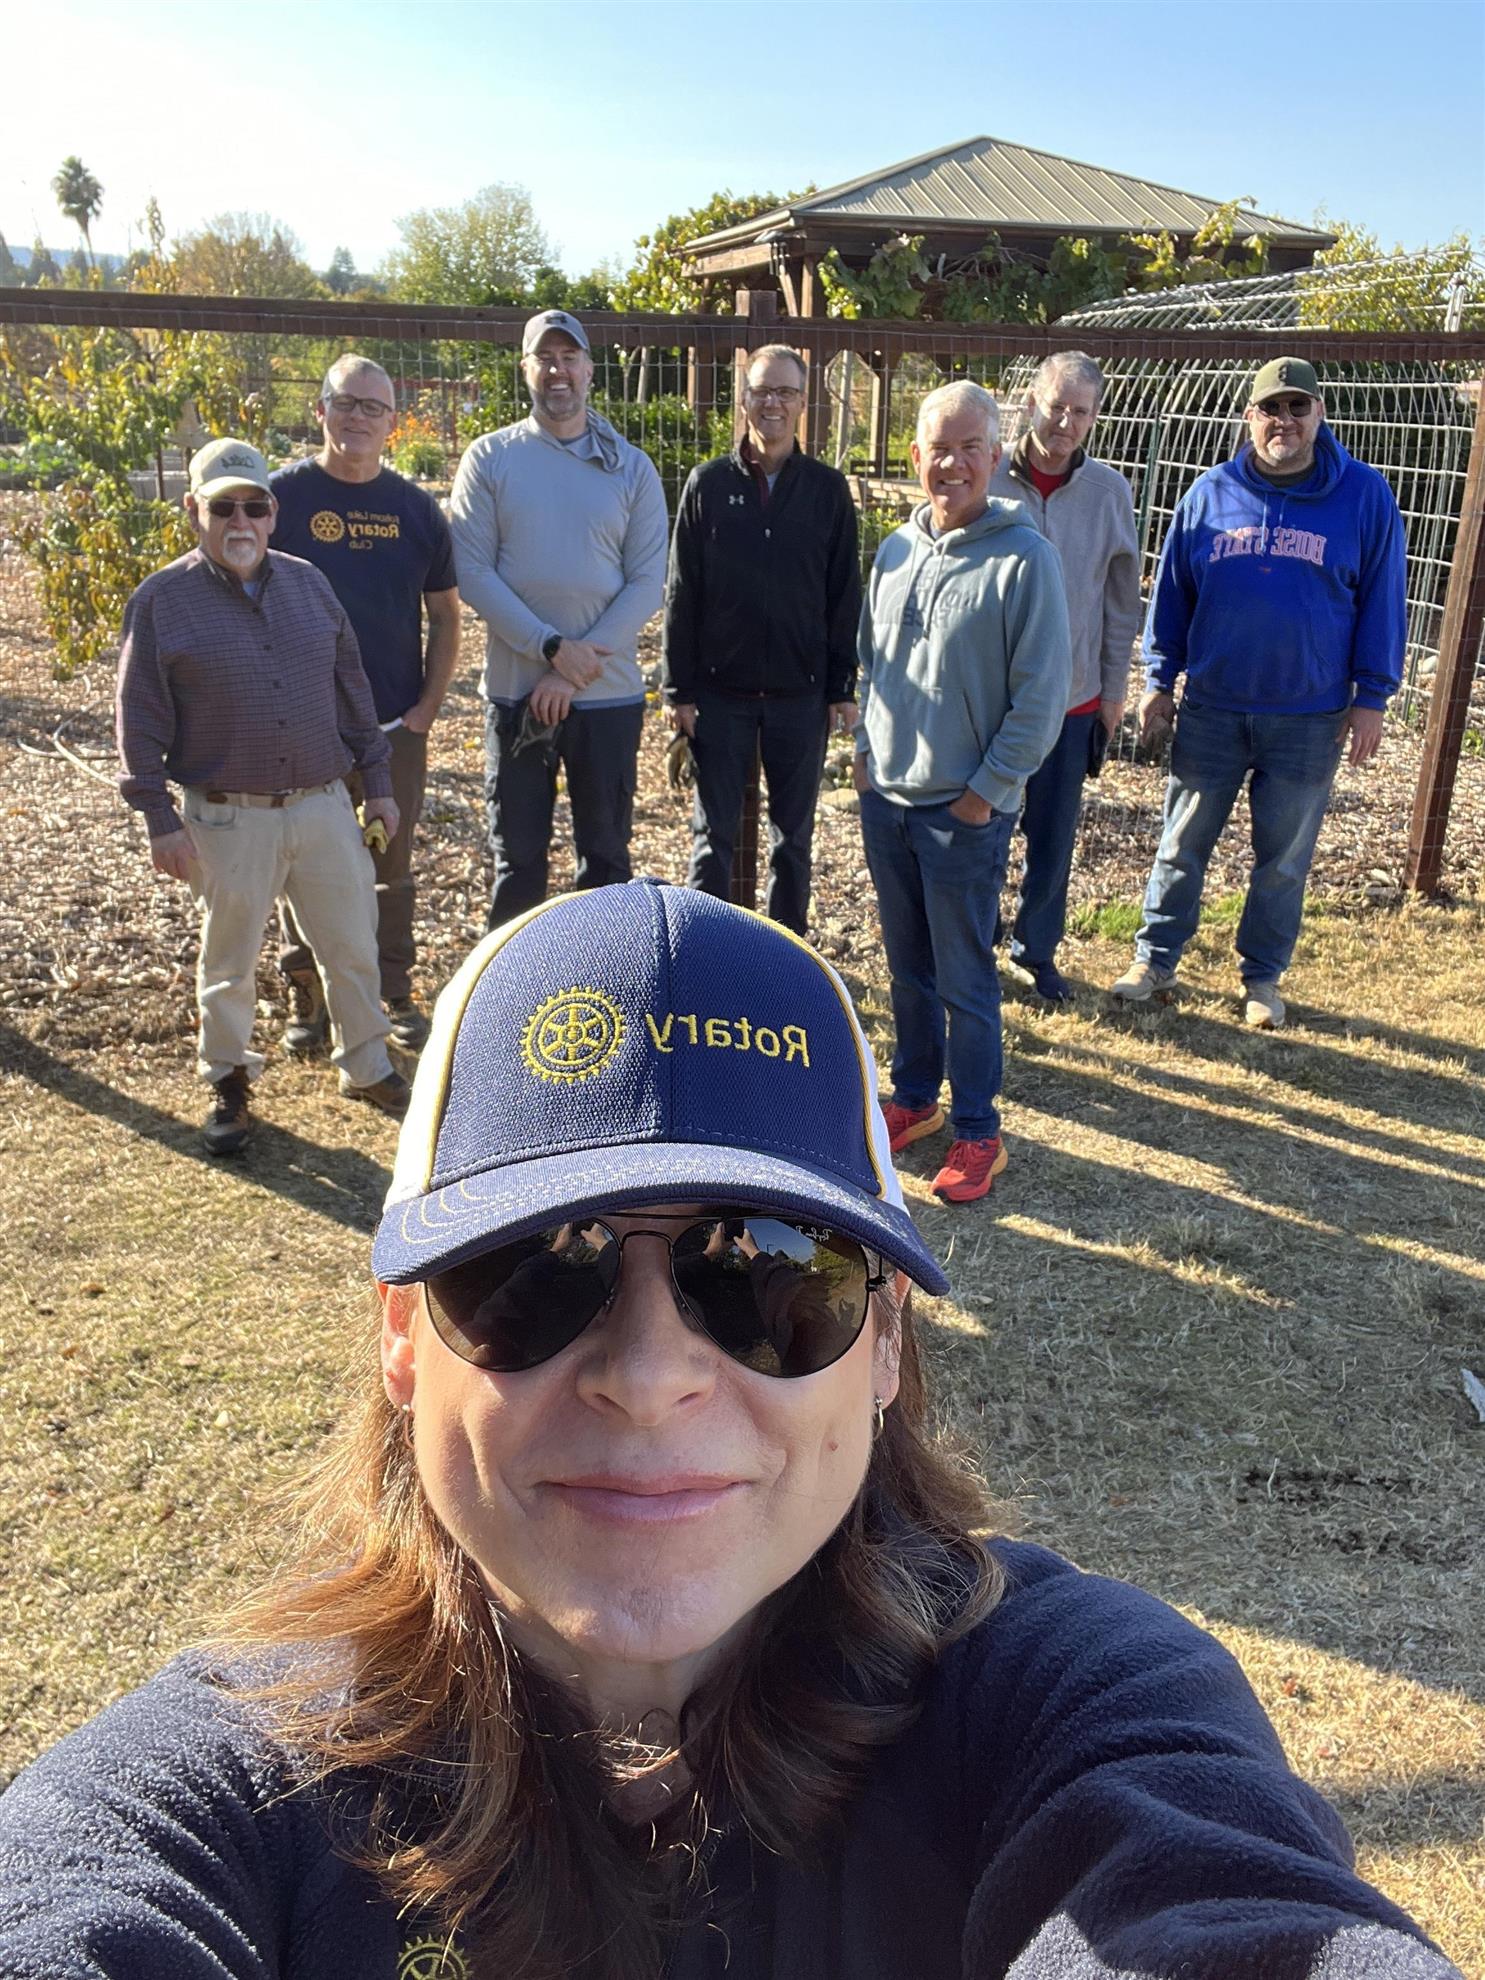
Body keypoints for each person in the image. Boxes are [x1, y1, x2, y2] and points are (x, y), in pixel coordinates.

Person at [0, 879, 1463, 1979]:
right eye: (533, 1270)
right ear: (400, 1338)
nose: (649, 1374)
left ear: (884, 1343)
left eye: (765, 1271)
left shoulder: (1068, 1705)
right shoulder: (231, 1798)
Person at [115, 437, 410, 1155]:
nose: (240, 521)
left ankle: (368, 1064)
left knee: (352, 944)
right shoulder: (161, 602)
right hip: (226, 815)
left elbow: (352, 691)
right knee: (230, 962)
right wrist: (159, 819)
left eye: (253, 506)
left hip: (321, 804)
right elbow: (138, 718)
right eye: (224, 509)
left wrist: (377, 784)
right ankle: (228, 1079)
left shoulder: (311, 585)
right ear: (194, 510)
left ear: (273, 513)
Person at [1111, 356, 1406, 1028]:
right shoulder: (1208, 494)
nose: (1285, 420)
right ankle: (1154, 959)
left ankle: (1263, 977)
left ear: (1319, 414)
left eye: (1298, 407)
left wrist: (1372, 697)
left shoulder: (1363, 496)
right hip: (1213, 706)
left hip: (1309, 715)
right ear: (1250, 417)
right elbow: (1172, 595)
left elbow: (1383, 599)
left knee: (1283, 861)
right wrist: (1158, 680)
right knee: (1181, 843)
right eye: (1271, 408)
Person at [855, 382, 1072, 1204]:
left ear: (995, 456)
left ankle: (978, 1129)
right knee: (906, 968)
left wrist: (984, 793)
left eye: (969, 448)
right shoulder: (893, 551)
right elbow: (872, 665)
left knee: (965, 979)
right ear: (915, 456)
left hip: (962, 812)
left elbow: (1040, 698)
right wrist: (866, 754)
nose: (951, 464)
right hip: (889, 801)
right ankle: (915, 1098)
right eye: (938, 449)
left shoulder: (1024, 560)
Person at [449, 308, 668, 928]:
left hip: (607, 696)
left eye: (569, 357)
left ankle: (603, 975)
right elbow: (473, 573)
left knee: (605, 862)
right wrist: (550, 648)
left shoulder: (631, 466)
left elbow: (647, 583)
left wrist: (571, 670)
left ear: (590, 370)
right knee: (518, 863)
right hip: (517, 695)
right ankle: (508, 983)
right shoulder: (489, 459)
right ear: (525, 370)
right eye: (544, 358)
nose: (558, 371)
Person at [270, 352, 461, 1055]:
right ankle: (308, 998)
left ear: (391, 422)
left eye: (372, 407)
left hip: (390, 725)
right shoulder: (278, 500)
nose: (358, 417)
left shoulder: (416, 509)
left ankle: (393, 991)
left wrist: (426, 709)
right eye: (346, 403)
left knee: (391, 864)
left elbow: (446, 614)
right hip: (301, 727)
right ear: (320, 410)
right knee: (298, 865)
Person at [662, 343, 861, 933]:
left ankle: (787, 954)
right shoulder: (707, 484)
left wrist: (840, 687)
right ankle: (706, 951)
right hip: (719, 695)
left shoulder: (827, 490)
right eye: (761, 391)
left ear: (802, 403)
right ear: (743, 399)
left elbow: (844, 594)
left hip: (801, 696)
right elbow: (682, 591)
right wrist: (677, 690)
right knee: (712, 837)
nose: (772, 403)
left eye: (785, 392)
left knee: (792, 841)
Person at [988, 352, 1141, 1002]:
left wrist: (1113, 691)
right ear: (1031, 403)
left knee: (1052, 838)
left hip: (1072, 700)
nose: (1065, 422)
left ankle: (1036, 951)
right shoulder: (988, 475)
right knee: (983, 829)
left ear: (1094, 418)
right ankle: (974, 944)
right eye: (1056, 406)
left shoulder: (1109, 493)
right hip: (990, 699)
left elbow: (1121, 603)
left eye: (1080, 412)